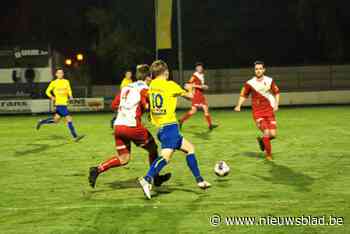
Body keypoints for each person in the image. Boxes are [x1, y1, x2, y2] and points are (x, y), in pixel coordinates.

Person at [138, 60, 211, 200]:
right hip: (170, 127)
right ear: (166, 72)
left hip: (162, 128)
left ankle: (200, 180)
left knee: (190, 148)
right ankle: (147, 179)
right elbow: (191, 97)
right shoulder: (170, 85)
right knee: (165, 158)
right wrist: (190, 88)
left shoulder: (152, 85)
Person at [89, 64, 171, 188]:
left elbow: (114, 105)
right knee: (153, 148)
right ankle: (155, 177)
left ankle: (97, 169)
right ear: (148, 78)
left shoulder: (127, 87)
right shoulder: (144, 88)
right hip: (132, 126)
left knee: (124, 158)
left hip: (118, 125)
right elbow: (151, 102)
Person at [234, 61, 280, 160]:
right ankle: (268, 155)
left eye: (260, 69)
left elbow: (277, 92)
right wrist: (239, 105)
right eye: (256, 69)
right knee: (267, 132)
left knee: (273, 134)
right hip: (258, 113)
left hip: (269, 111)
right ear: (254, 70)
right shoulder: (250, 83)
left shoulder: (269, 80)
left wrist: (276, 105)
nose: (258, 70)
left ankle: (262, 141)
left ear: (264, 70)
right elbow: (243, 95)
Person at [36, 68, 84, 142]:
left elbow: (69, 89)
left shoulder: (66, 81)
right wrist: (52, 97)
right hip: (59, 104)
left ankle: (41, 122)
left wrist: (70, 95)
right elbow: (47, 91)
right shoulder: (54, 83)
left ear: (63, 74)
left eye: (61, 73)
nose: (60, 74)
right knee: (69, 119)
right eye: (59, 73)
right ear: (56, 74)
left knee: (56, 120)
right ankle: (75, 137)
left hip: (64, 103)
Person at [179, 62, 218, 130]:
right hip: (197, 95)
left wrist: (203, 87)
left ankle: (210, 125)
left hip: (200, 95)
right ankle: (182, 120)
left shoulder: (201, 75)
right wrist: (200, 87)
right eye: (198, 67)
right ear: (196, 68)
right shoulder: (194, 76)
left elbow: (200, 86)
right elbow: (187, 85)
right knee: (195, 110)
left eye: (201, 67)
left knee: (203, 109)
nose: (200, 68)